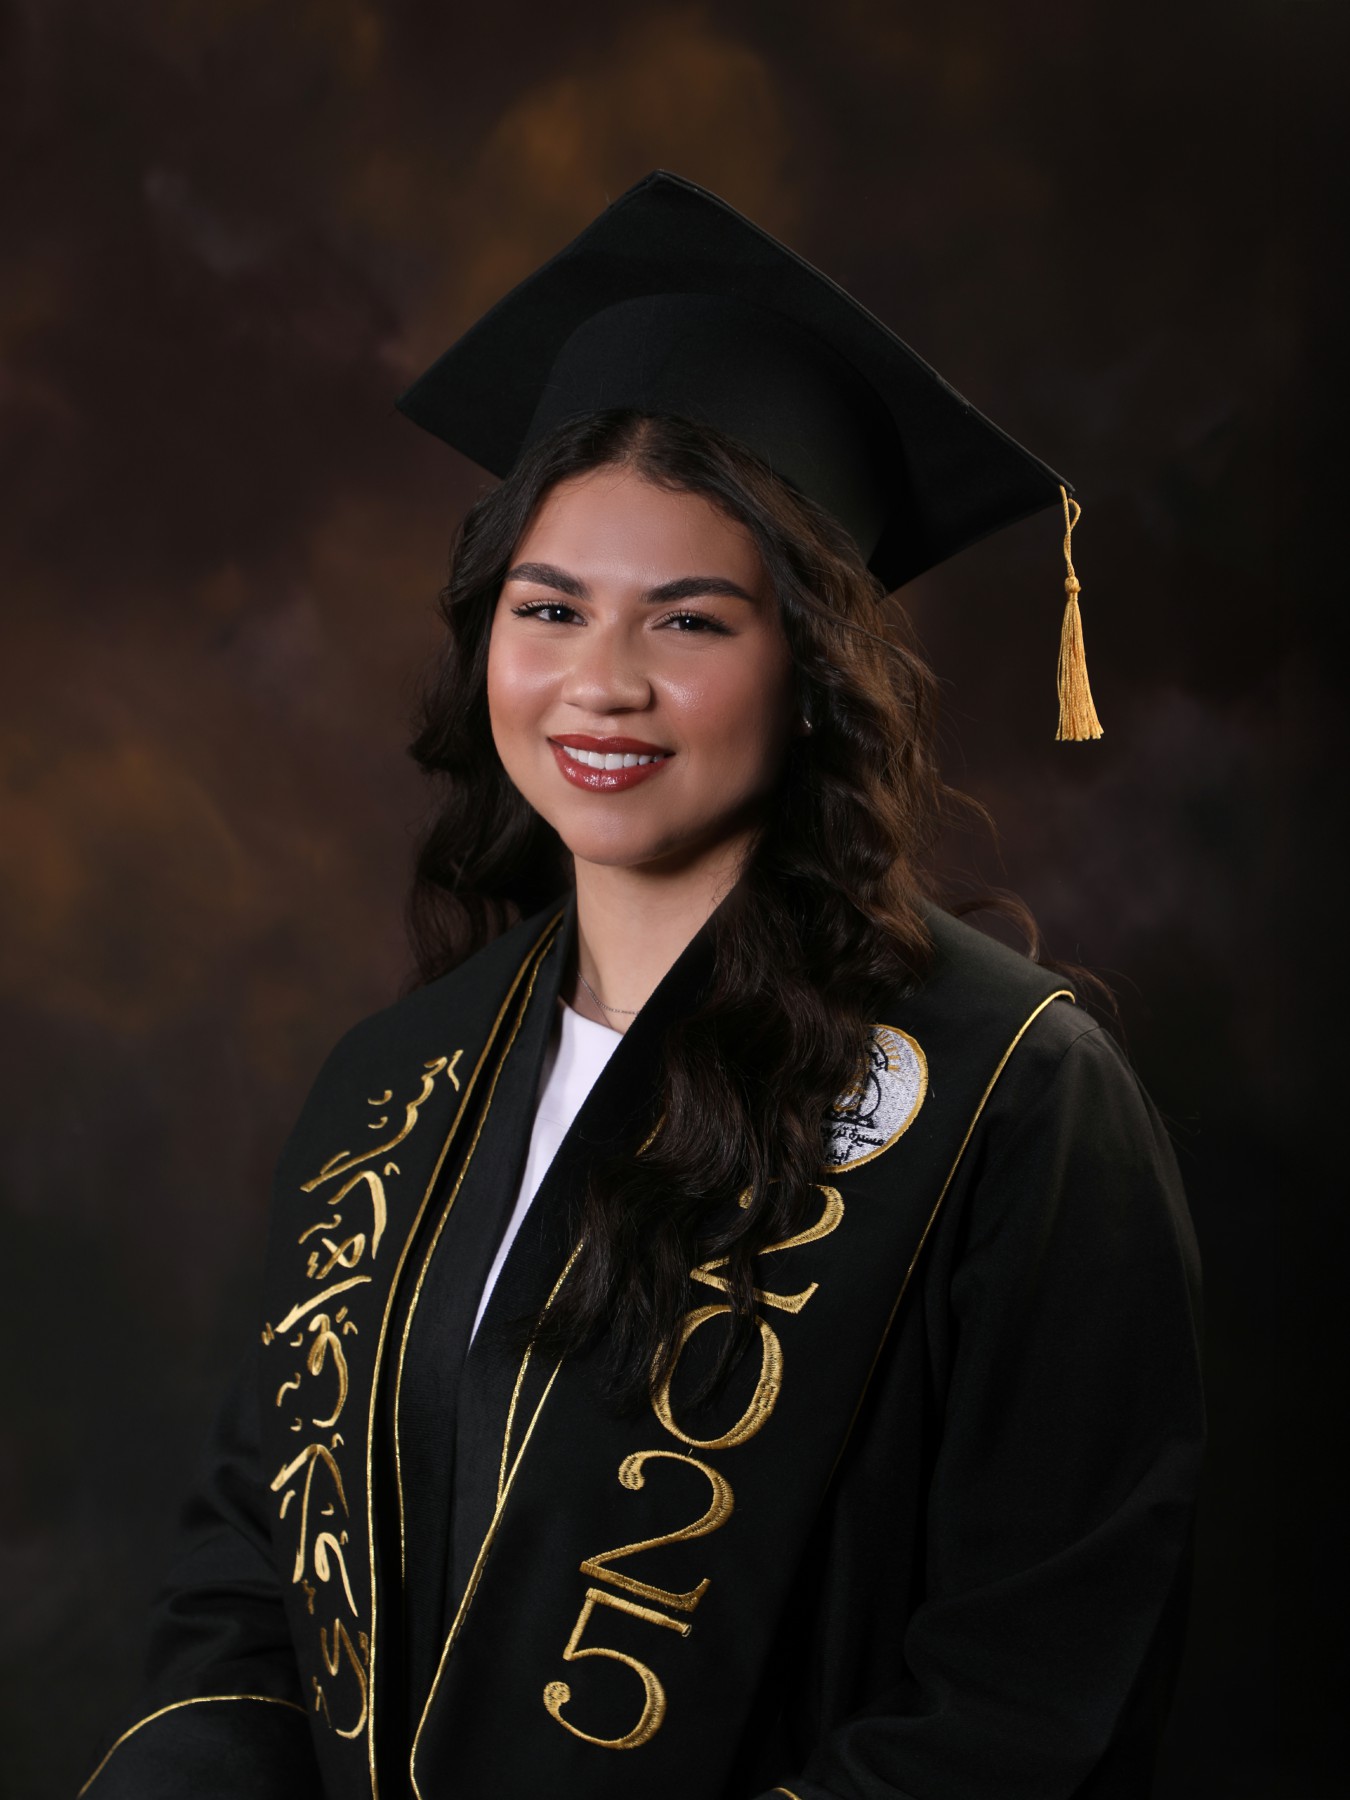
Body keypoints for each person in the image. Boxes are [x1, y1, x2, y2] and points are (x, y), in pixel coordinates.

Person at [79, 170, 1203, 1800]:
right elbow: (254, 1582)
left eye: (688, 622)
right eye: (549, 609)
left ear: (810, 670)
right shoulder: (395, 1086)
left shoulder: (1006, 1098)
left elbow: (1032, 1683)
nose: (599, 683)